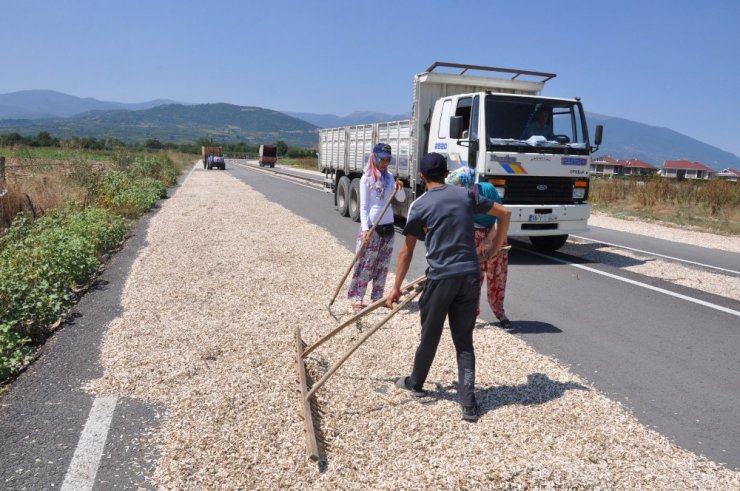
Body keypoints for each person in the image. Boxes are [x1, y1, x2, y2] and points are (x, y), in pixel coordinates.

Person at [388, 153, 511, 421]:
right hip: (469, 277)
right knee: (464, 341)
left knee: (429, 336)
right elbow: (504, 213)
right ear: (446, 173)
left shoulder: (420, 206)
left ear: (421, 176)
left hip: (441, 279)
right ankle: (468, 404)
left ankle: (416, 383)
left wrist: (396, 288)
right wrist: (495, 248)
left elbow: (406, 252)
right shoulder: (465, 195)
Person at [446, 167, 512, 329]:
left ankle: (499, 312)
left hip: (494, 234)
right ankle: (471, 314)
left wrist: (490, 241)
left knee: (497, 275)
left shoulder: (487, 190)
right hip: (472, 233)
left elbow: (501, 217)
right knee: (472, 278)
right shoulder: (457, 199)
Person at [347, 143, 405, 312]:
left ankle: (377, 296)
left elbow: (400, 199)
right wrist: (365, 229)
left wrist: (399, 188)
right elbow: (363, 207)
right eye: (383, 159)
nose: (385, 163)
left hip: (388, 225)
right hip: (372, 226)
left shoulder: (390, 178)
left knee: (382, 264)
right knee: (365, 263)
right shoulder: (366, 179)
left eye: (388, 159)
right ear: (375, 158)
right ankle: (357, 296)